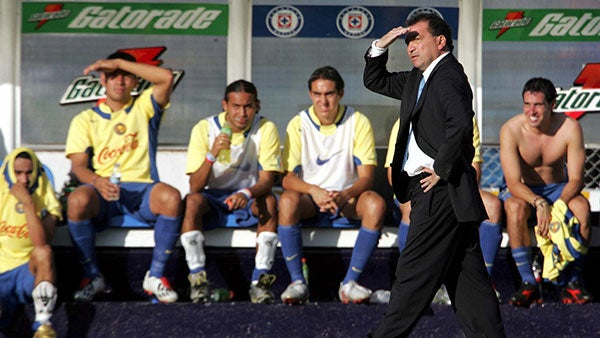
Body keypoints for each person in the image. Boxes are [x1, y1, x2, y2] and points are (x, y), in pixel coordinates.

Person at [364, 13, 505, 337]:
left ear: (440, 41)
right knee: (469, 282)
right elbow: (376, 81)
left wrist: (441, 168)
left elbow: (460, 123)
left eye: (417, 38)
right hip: (442, 192)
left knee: (412, 273)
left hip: (439, 190)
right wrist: (380, 46)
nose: (411, 46)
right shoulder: (419, 77)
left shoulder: (449, 76)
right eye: (408, 41)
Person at [65, 51, 182, 303]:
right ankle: (91, 276)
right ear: (102, 81)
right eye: (112, 76)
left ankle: (156, 276)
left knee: (171, 197)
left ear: (135, 80)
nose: (119, 81)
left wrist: (117, 63)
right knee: (76, 201)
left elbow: (165, 78)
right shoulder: (85, 119)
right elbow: (78, 167)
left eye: (126, 76)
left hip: (141, 191)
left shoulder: (144, 107)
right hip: (103, 191)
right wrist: (97, 181)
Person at [278, 66, 386, 305]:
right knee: (286, 200)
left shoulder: (357, 121)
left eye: (329, 94)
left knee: (375, 204)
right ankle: (298, 282)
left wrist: (344, 193)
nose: (323, 101)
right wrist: (315, 191)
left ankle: (349, 283)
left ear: (341, 94)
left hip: (346, 198)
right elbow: (287, 178)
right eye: (317, 94)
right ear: (310, 94)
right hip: (310, 199)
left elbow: (367, 177)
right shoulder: (298, 123)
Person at [181, 80, 282, 304]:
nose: (242, 113)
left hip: (249, 196)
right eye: (236, 106)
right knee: (191, 202)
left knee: (270, 202)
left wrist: (245, 193)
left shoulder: (266, 127)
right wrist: (212, 154)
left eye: (248, 106)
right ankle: (198, 279)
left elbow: (267, 181)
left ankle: (260, 281)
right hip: (213, 197)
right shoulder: (205, 128)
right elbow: (195, 186)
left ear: (257, 105)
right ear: (225, 105)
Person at [385, 117, 503, 299]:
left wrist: (443, 178)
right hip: (416, 189)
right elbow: (394, 176)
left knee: (492, 206)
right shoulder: (406, 119)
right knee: (411, 211)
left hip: (454, 187)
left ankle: (483, 281)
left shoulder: (464, 119)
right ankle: (412, 284)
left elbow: (474, 171)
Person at [499, 77, 593, 306]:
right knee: (514, 208)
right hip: (524, 189)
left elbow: (577, 179)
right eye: (527, 104)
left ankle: (572, 282)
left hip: (559, 188)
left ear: (552, 104)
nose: (532, 111)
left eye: (538, 105)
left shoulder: (570, 128)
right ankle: (528, 283)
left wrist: (559, 205)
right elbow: (512, 183)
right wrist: (540, 203)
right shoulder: (511, 129)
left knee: (582, 208)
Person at [0, 148, 61, 336]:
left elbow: (41, 242)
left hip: (28, 272)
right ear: (10, 172)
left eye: (28, 172)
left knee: (44, 252)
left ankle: (42, 326)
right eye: (18, 173)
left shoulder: (46, 199)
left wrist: (28, 204)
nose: (24, 180)